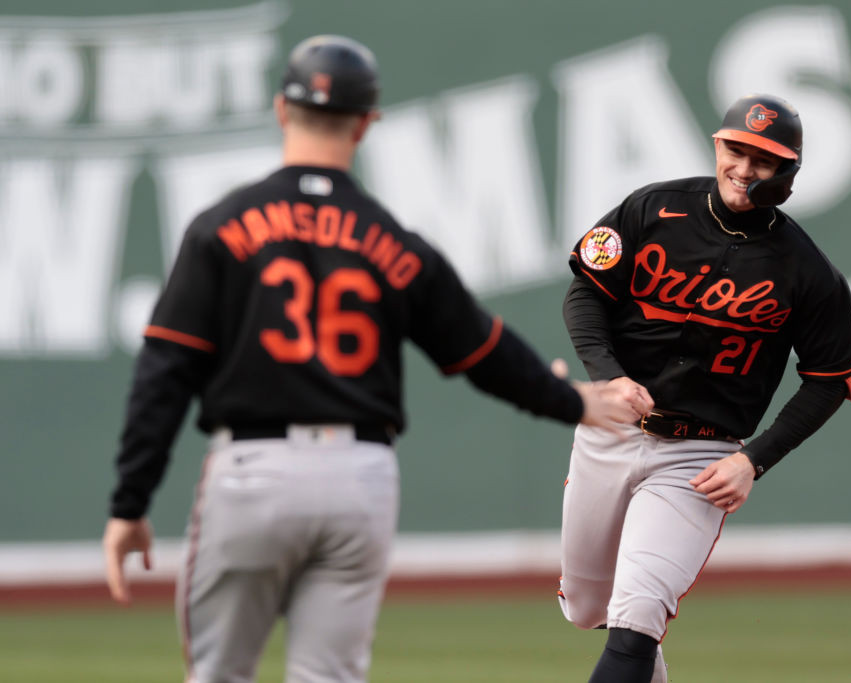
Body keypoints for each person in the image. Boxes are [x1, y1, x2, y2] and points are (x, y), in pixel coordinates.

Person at [102, 35, 645, 683]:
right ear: (366, 122)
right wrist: (575, 401)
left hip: (252, 470)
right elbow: (482, 348)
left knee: (220, 673)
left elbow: (165, 370)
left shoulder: (222, 225)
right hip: (358, 477)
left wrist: (129, 503)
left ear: (281, 109)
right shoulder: (392, 239)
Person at [557, 93, 851, 682]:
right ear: (718, 146)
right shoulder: (653, 208)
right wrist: (608, 376)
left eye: (763, 160)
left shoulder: (808, 271)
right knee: (590, 608)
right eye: (736, 150)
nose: (744, 169)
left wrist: (755, 461)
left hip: (698, 457)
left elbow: (826, 382)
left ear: (787, 173)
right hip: (609, 434)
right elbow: (587, 293)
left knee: (639, 610)